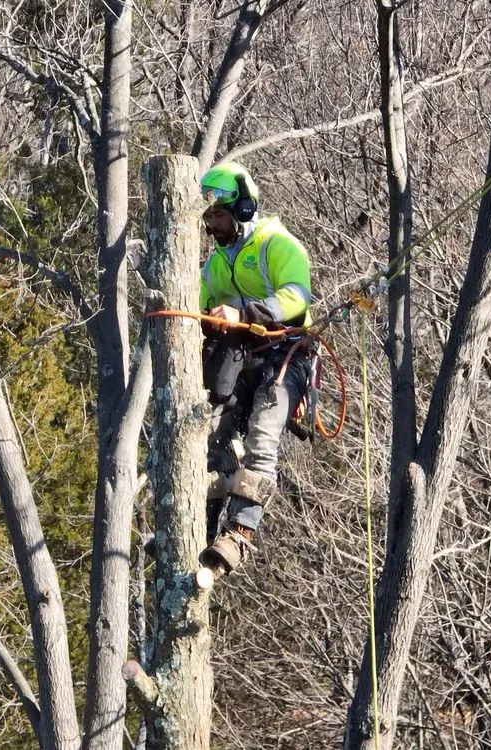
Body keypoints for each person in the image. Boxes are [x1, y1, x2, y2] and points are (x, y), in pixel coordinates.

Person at [196, 161, 313, 575]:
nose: (213, 225)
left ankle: (239, 532)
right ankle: (199, 532)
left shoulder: (276, 244)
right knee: (211, 436)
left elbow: (296, 295)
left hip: (285, 356)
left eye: (218, 214)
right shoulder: (214, 265)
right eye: (209, 217)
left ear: (242, 208)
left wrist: (243, 313)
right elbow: (195, 305)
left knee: (263, 436)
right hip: (239, 360)